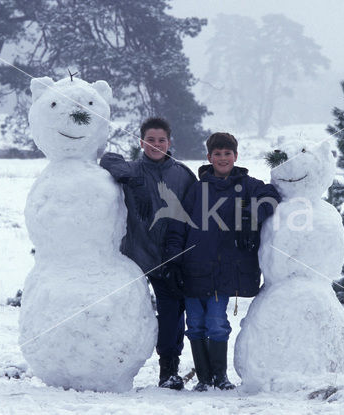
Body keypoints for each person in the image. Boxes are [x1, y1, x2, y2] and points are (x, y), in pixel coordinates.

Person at [163, 132, 280, 391]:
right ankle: (204, 379)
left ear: (236, 156)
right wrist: (173, 259)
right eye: (218, 154)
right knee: (194, 324)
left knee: (216, 323)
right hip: (193, 267)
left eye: (228, 154)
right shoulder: (196, 189)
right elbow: (178, 224)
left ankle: (220, 377)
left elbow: (271, 195)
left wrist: (251, 215)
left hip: (224, 271)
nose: (223, 158)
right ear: (209, 157)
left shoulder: (248, 185)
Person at [99, 117, 196, 390]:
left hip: (170, 258)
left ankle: (168, 370)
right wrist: (132, 180)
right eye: (150, 140)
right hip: (136, 256)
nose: (156, 145)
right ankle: (110, 363)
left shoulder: (183, 174)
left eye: (161, 140)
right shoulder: (130, 169)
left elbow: (193, 216)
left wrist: (179, 257)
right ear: (141, 142)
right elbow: (107, 158)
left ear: (169, 142)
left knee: (172, 312)